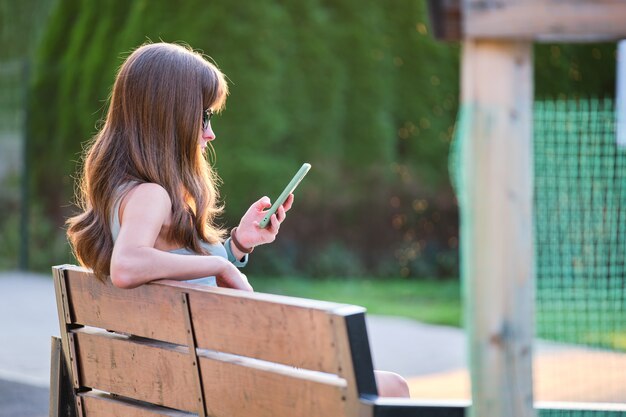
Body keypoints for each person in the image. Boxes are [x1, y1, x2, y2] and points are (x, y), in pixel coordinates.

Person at [66, 42, 409, 398]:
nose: (209, 133)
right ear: (171, 117)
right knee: (393, 389)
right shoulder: (151, 195)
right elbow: (128, 265)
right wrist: (221, 266)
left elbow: (173, 268)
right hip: (213, 387)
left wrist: (236, 246)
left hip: (180, 381)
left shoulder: (122, 191)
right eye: (204, 117)